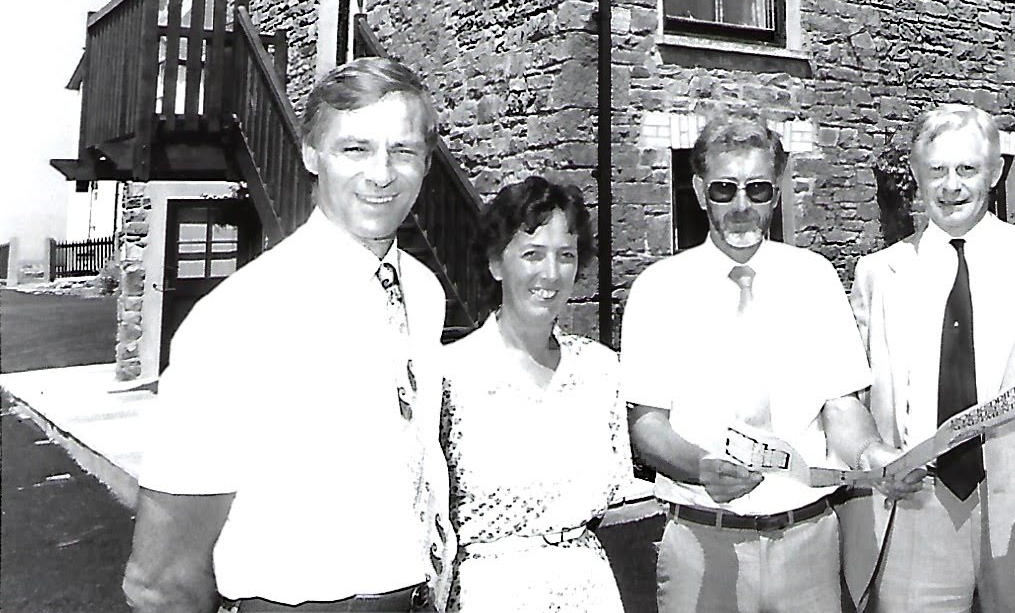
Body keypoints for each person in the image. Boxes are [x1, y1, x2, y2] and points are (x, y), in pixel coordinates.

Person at [123, 56, 454, 613]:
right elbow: (160, 577)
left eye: (403, 151)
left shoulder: (422, 292)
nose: (381, 174)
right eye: (354, 149)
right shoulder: (239, 318)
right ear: (310, 154)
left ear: (426, 163)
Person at [619, 113, 898, 613]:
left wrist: (873, 455)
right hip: (704, 544)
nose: (742, 206)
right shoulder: (657, 290)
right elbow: (646, 424)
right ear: (701, 189)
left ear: (778, 189)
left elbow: (840, 406)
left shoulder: (814, 279)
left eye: (759, 190)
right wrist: (699, 467)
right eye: (725, 190)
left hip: (807, 540)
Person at [847, 103, 1015, 613]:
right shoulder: (879, 273)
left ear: (994, 173)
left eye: (967, 169)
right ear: (917, 175)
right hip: (916, 510)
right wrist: (869, 456)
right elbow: (854, 393)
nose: (952, 186)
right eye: (937, 170)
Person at [441, 176, 631, 612]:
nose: (550, 273)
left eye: (565, 255)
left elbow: (615, 495)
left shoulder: (600, 370)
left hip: (588, 590)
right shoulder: (451, 375)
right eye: (532, 254)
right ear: (495, 263)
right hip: (491, 594)